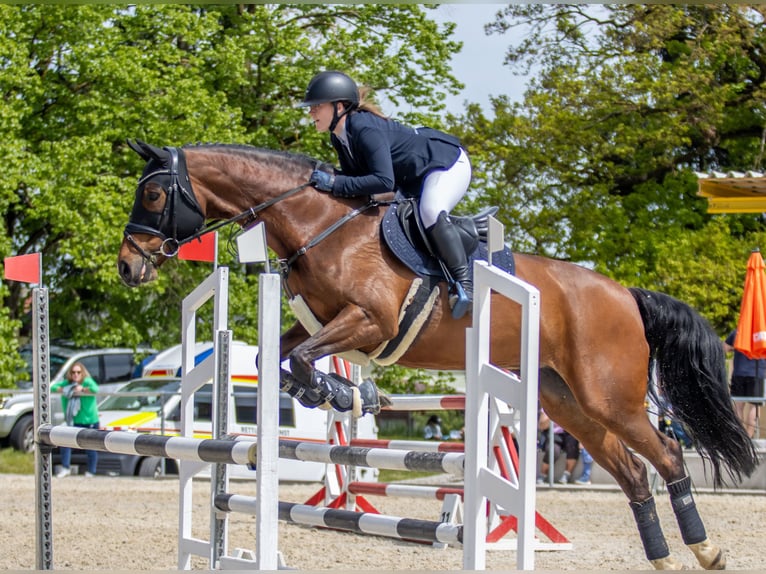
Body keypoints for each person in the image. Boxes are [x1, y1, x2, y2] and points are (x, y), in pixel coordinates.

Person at [299, 71, 474, 318]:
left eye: (317, 106)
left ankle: (464, 284)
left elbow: (383, 181)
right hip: (412, 176)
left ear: (339, 106)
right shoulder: (339, 137)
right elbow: (360, 184)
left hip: (446, 163)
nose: (311, 112)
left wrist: (334, 184)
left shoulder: (363, 128)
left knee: (430, 210)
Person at [50, 362, 100, 477]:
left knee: (90, 447)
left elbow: (95, 389)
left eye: (78, 372)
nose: (76, 375)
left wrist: (83, 389)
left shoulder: (87, 381)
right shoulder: (67, 384)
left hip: (89, 421)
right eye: (73, 372)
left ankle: (91, 471)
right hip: (73, 420)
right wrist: (65, 389)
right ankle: (65, 467)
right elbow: (53, 387)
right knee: (65, 442)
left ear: (83, 373)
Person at [724, 329, 765, 438]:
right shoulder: (762, 332)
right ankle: (749, 437)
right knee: (754, 407)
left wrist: (737, 347)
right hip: (758, 372)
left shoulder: (738, 332)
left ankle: (739, 438)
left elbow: (725, 348)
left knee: (738, 406)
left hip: (739, 373)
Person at [536, 409, 580, 485]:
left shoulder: (571, 406)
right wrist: (552, 414)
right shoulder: (547, 407)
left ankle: (566, 475)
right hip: (555, 433)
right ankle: (542, 475)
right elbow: (541, 426)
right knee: (552, 450)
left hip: (569, 433)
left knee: (572, 447)